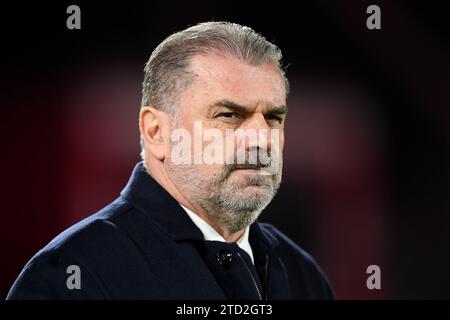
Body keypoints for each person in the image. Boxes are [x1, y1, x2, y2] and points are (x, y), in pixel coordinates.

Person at [7, 21, 334, 300]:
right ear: (156, 131)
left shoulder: (301, 272)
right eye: (230, 115)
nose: (262, 138)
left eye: (274, 117)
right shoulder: (73, 273)